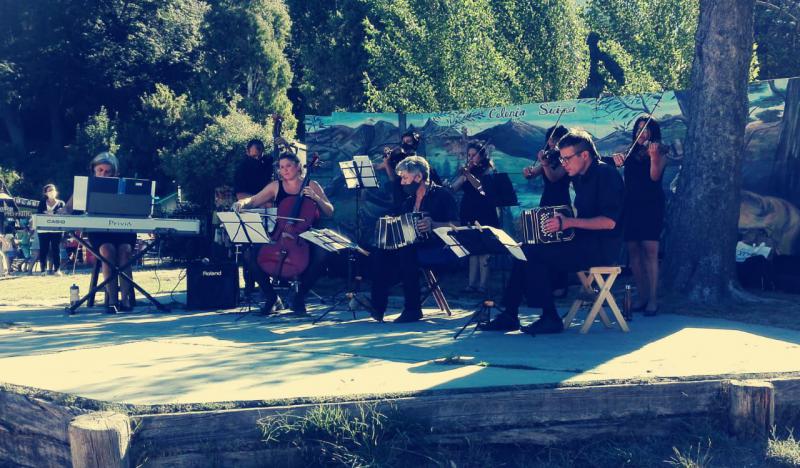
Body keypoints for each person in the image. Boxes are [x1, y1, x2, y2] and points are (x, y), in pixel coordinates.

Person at [480, 129, 624, 335]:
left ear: (585, 155)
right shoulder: (581, 176)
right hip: (581, 240)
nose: (563, 163)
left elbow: (609, 222)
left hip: (601, 248)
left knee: (534, 254)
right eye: (562, 158)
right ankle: (510, 314)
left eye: (567, 158)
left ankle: (550, 317)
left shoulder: (606, 174)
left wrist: (568, 222)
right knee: (524, 249)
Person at [233, 151, 334, 314]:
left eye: (288, 166)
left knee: (322, 254)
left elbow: (330, 211)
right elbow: (254, 200)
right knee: (250, 255)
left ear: (297, 167)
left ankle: (300, 297)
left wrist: (316, 197)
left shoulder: (312, 185)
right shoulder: (275, 186)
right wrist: (242, 203)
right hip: (280, 234)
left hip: (304, 236)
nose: (284, 170)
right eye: (281, 167)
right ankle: (272, 297)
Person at [370, 156, 460, 323]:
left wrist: (433, 224)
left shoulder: (442, 194)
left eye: (405, 177)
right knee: (380, 252)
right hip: (415, 247)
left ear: (418, 177)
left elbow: (456, 224)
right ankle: (377, 306)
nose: (402, 182)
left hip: (440, 247)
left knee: (406, 252)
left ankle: (413, 309)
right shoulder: (409, 202)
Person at [65, 152, 137, 313]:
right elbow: (68, 208)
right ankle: (112, 300)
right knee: (107, 250)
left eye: (107, 171)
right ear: (94, 170)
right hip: (99, 230)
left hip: (123, 228)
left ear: (115, 173)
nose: (103, 174)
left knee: (125, 250)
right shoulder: (86, 186)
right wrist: (58, 213)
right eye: (100, 170)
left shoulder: (123, 186)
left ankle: (125, 300)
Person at [612, 116, 668, 316]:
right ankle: (642, 295)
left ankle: (653, 298)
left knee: (650, 250)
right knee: (634, 250)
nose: (641, 133)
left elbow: (654, 178)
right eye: (638, 129)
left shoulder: (659, 151)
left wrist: (653, 157)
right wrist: (618, 160)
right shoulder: (630, 152)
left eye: (646, 130)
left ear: (653, 132)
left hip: (651, 205)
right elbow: (622, 173)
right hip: (631, 204)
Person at [523, 124, 572, 297]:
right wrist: (528, 172)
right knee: (545, 243)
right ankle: (547, 283)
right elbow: (532, 174)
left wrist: (544, 163)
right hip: (547, 202)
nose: (551, 142)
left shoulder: (566, 159)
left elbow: (554, 177)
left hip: (560, 203)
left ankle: (560, 285)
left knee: (559, 244)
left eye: (555, 138)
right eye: (550, 138)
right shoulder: (550, 157)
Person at [450, 141, 499, 293]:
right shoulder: (469, 170)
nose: (470, 158)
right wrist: (463, 175)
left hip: (484, 212)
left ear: (482, 155)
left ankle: (483, 285)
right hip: (469, 211)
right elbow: (454, 187)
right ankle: (471, 284)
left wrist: (468, 174)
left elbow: (481, 189)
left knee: (484, 250)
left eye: (473, 155)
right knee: (472, 249)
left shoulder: (488, 170)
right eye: (468, 155)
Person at [234, 139, 275, 296]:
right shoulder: (241, 169)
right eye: (253, 157)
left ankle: (272, 282)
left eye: (259, 156)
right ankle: (249, 287)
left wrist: (283, 143)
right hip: (251, 211)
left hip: (270, 213)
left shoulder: (269, 162)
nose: (256, 159)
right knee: (249, 250)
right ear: (247, 153)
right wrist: (262, 200)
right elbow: (240, 195)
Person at [36, 184, 65, 276]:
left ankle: (57, 270)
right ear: (46, 193)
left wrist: (50, 213)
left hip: (57, 230)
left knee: (56, 249)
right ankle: (43, 270)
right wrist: (51, 213)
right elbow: (39, 213)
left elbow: (64, 214)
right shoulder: (42, 202)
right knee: (43, 249)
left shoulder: (61, 203)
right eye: (49, 190)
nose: (52, 192)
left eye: (53, 190)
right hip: (43, 230)